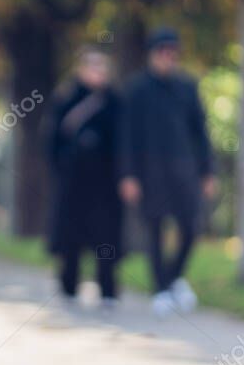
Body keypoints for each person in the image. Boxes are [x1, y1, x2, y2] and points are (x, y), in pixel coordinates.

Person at [118, 27, 215, 316]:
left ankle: (174, 278)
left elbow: (201, 133)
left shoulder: (187, 87)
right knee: (155, 230)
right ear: (152, 54)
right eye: (162, 52)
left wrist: (208, 171)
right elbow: (127, 136)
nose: (167, 58)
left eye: (172, 53)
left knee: (190, 227)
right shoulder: (136, 90)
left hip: (184, 171)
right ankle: (160, 289)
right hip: (149, 173)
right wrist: (128, 175)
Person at [45, 47, 124, 310]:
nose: (97, 73)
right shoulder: (66, 100)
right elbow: (52, 141)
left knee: (107, 237)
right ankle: (68, 285)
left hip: (105, 184)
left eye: (101, 67)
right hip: (74, 181)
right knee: (71, 236)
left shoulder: (114, 102)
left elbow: (124, 142)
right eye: (92, 66)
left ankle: (108, 289)